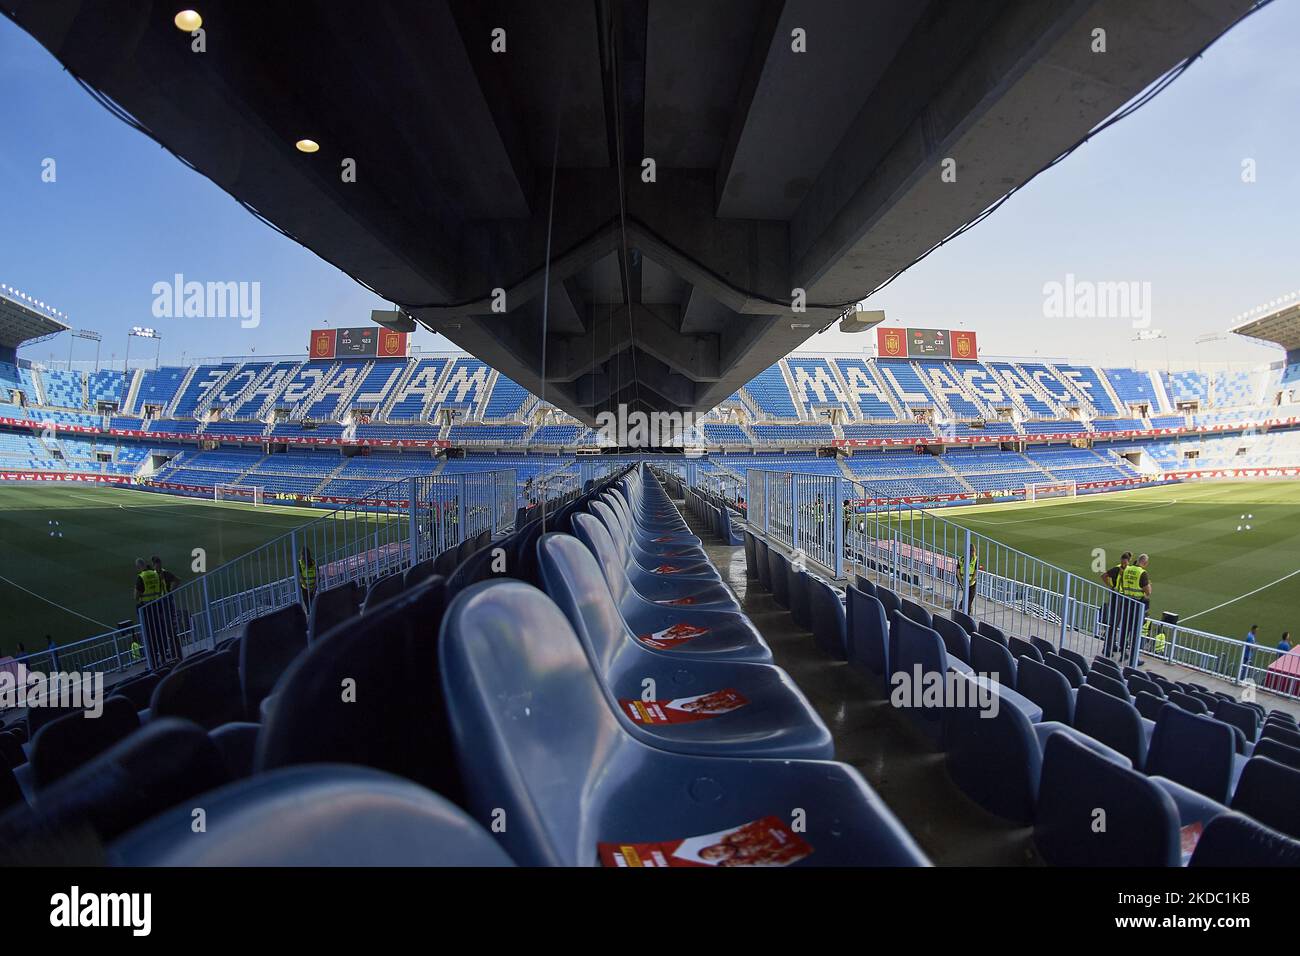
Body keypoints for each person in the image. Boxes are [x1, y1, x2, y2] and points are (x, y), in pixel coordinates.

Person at [1116, 553, 1152, 661]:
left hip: (1126, 602)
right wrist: (1149, 586)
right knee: (1135, 631)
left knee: (1125, 628)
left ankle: (1123, 652)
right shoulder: (1142, 573)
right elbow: (1148, 591)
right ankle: (1133, 658)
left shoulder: (1126, 569)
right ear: (1145, 563)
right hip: (1137, 604)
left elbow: (1122, 584)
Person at [134, 557, 163, 666]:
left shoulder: (141, 577)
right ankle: (163, 656)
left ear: (138, 567)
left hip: (146, 609)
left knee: (149, 636)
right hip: (156, 605)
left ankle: (153, 662)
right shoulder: (155, 574)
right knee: (158, 632)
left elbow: (136, 596)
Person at [1100, 551, 1131, 655]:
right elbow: (1103, 576)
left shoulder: (1128, 570)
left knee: (1116, 623)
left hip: (1122, 597)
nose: (1124, 564)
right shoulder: (1117, 569)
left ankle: (1112, 645)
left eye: (1125, 563)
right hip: (1116, 596)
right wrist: (1111, 586)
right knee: (1113, 623)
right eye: (1123, 562)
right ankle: (1106, 647)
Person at [955, 542, 979, 614]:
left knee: (967, 596)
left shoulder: (962, 558)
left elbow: (958, 572)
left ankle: (962, 606)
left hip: (968, 581)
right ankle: (967, 612)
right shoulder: (972, 559)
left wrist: (966, 583)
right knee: (970, 597)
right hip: (967, 581)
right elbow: (958, 572)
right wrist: (963, 583)